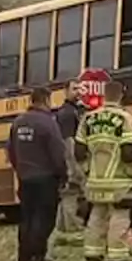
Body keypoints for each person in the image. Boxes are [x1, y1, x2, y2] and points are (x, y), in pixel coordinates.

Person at [74, 80, 132, 261]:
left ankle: (93, 252)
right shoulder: (124, 118)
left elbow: (78, 150)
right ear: (121, 96)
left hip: (95, 179)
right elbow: (128, 151)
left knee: (97, 214)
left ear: (104, 95)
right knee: (120, 215)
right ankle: (117, 254)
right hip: (119, 179)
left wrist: (86, 169)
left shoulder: (88, 118)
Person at [6, 86, 69, 261]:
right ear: (46, 101)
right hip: (46, 178)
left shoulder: (18, 123)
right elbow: (58, 151)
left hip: (25, 178)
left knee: (27, 217)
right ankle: (37, 255)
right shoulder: (48, 123)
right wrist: (63, 174)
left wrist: (20, 169)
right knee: (44, 218)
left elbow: (11, 151)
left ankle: (24, 256)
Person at [53, 79, 87, 242]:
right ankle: (73, 229)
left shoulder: (74, 111)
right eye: (74, 89)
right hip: (70, 162)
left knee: (66, 196)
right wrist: (73, 169)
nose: (78, 92)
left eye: (80, 89)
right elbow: (68, 143)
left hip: (67, 162)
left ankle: (61, 230)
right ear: (65, 91)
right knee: (71, 194)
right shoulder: (67, 114)